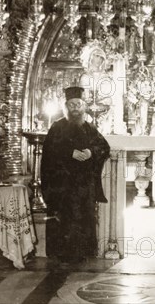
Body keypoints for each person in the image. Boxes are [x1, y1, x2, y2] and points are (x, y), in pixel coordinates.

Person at [41, 86, 111, 264]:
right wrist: (69, 153)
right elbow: (49, 151)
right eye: (71, 104)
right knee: (65, 218)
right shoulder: (57, 127)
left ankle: (82, 253)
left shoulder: (89, 128)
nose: (75, 108)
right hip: (62, 184)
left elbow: (104, 147)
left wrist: (90, 151)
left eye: (78, 104)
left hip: (83, 185)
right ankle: (62, 253)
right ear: (66, 106)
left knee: (83, 218)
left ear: (83, 106)